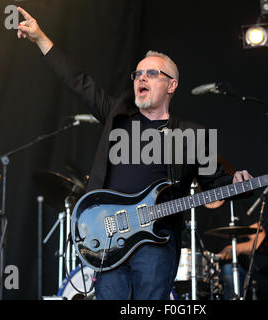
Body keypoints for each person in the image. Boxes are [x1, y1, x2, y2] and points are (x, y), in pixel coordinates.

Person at [16, 7, 253, 300]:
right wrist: (40, 38)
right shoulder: (118, 116)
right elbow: (78, 81)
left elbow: (213, 183)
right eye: (138, 73)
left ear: (171, 85)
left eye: (151, 73)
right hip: (109, 239)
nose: (141, 77)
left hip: (156, 241)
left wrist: (236, 184)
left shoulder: (190, 134)